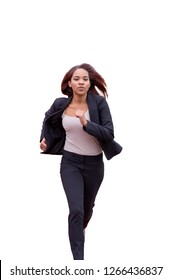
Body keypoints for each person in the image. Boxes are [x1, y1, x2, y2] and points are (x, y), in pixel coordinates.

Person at [39, 63, 122, 260]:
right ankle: (79, 262)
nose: (81, 82)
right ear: (70, 83)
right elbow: (47, 120)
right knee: (75, 210)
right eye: (76, 79)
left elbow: (109, 134)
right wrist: (44, 139)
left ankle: (80, 229)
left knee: (86, 209)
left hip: (94, 165)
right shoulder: (60, 104)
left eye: (85, 79)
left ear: (89, 82)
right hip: (70, 163)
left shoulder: (99, 103)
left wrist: (86, 123)